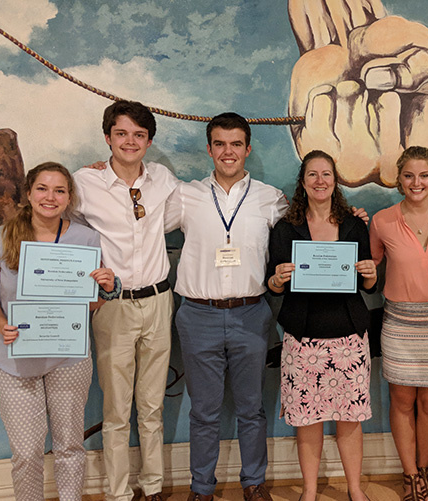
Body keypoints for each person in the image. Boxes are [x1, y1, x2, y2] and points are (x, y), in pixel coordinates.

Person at [164, 112, 288, 501]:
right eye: (220, 143)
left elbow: (309, 232)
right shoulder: (186, 196)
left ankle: (253, 483)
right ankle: (202, 488)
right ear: (209, 149)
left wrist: (351, 218)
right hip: (197, 314)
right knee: (204, 411)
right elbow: (138, 225)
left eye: (236, 144)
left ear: (248, 149)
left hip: (252, 312)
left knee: (252, 408)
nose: (228, 151)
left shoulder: (271, 198)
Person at [0, 162, 116, 501]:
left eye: (59, 190)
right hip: (15, 359)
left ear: (69, 197)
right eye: (42, 188)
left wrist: (105, 289)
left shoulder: (86, 237)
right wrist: (3, 326)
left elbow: (90, 304)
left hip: (67, 357)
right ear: (28, 193)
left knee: (69, 444)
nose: (50, 197)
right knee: (26, 453)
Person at [72, 101, 180, 501]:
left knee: (151, 408)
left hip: (157, 301)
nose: (130, 141)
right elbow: (46, 215)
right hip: (112, 305)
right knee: (117, 410)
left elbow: (199, 210)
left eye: (138, 135)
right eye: (121, 133)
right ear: (107, 138)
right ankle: (118, 492)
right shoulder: (85, 182)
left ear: (148, 141)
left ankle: (152, 487)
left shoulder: (163, 179)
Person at [265, 150, 377, 501]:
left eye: (326, 174)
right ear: (303, 182)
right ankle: (310, 492)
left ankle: (355, 489)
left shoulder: (355, 224)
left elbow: (367, 284)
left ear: (335, 180)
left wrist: (372, 276)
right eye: (312, 174)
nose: (320, 181)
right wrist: (278, 279)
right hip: (303, 337)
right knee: (307, 421)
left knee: (349, 419)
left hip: (349, 336)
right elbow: (273, 283)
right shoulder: (285, 228)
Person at [369, 146, 428, 501]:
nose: (416, 182)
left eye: (424, 175)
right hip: (400, 324)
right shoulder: (382, 220)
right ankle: (410, 477)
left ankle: (423, 470)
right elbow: (370, 271)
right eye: (409, 175)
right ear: (399, 179)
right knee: (403, 402)